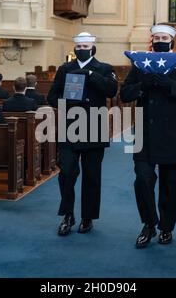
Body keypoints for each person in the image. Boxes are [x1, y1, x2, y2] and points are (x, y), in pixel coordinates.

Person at [120, 24, 176, 249]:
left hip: (172, 134)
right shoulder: (140, 64)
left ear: (172, 41)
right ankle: (149, 224)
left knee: (170, 184)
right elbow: (125, 93)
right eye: (156, 37)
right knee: (143, 180)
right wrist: (142, 85)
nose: (159, 40)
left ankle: (167, 227)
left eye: (164, 37)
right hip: (144, 134)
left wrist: (170, 85)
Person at [48, 32, 118, 236]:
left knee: (92, 177)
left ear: (93, 47)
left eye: (86, 46)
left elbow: (111, 91)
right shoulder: (65, 69)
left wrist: (90, 75)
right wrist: (67, 102)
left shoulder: (104, 68)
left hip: (94, 128)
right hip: (70, 127)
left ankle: (88, 218)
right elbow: (52, 96)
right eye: (79, 47)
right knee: (67, 174)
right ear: (74, 48)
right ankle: (67, 215)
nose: (82, 50)